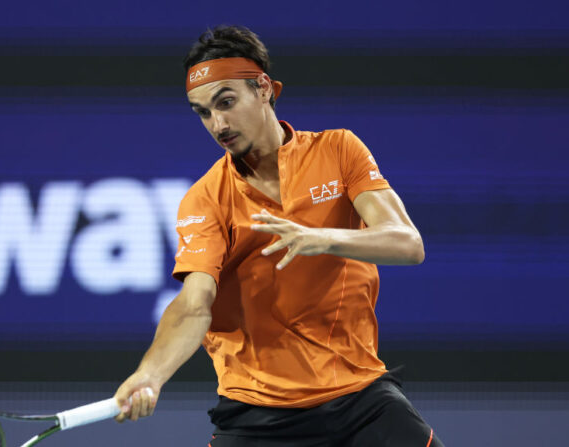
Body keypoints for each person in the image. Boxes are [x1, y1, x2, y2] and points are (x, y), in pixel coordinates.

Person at [113, 25, 444, 447]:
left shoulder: (339, 150)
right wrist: (150, 374)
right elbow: (195, 303)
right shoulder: (205, 199)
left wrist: (323, 238)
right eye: (203, 112)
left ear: (265, 88)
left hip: (359, 399)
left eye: (226, 102)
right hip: (258, 413)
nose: (218, 124)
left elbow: (407, 243)